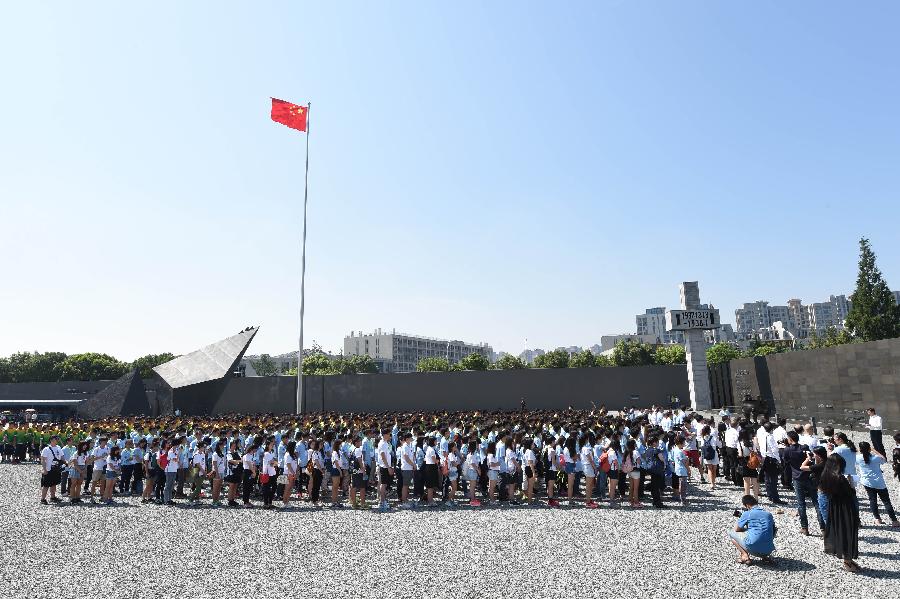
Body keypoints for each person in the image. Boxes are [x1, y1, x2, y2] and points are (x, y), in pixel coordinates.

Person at [820, 453, 861, 573]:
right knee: (848, 533)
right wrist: (851, 484)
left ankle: (848, 560)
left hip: (834, 507)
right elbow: (851, 493)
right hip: (845, 508)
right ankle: (847, 562)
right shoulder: (840, 478)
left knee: (841, 532)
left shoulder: (825, 476)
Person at [783, 431, 823, 535]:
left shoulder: (787, 450)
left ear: (790, 439)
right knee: (816, 503)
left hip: (797, 478)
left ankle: (805, 528)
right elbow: (811, 457)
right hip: (809, 476)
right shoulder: (804, 447)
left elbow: (785, 462)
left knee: (801, 504)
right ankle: (823, 528)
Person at [856, 441, 899, 526]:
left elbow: (857, 457)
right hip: (879, 482)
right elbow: (884, 459)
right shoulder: (875, 458)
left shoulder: (858, 458)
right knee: (886, 501)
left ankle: (877, 519)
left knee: (872, 500)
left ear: (860, 449)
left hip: (867, 482)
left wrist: (860, 451)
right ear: (869, 449)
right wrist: (874, 450)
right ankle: (894, 521)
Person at [729, 494, 776, 565]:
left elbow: (736, 530)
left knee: (731, 533)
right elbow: (772, 530)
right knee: (764, 531)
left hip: (753, 549)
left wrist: (743, 520)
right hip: (768, 550)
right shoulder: (768, 514)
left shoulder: (748, 513)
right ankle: (764, 556)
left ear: (747, 505)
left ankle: (745, 555)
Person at [39, 435, 64, 505]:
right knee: (46, 485)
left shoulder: (59, 448)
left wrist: (65, 464)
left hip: (56, 469)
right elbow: (43, 460)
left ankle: (53, 497)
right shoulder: (46, 449)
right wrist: (44, 469)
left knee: (54, 484)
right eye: (54, 439)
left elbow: (62, 457)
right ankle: (43, 499)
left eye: (56, 439)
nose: (56, 440)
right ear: (51, 440)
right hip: (48, 469)